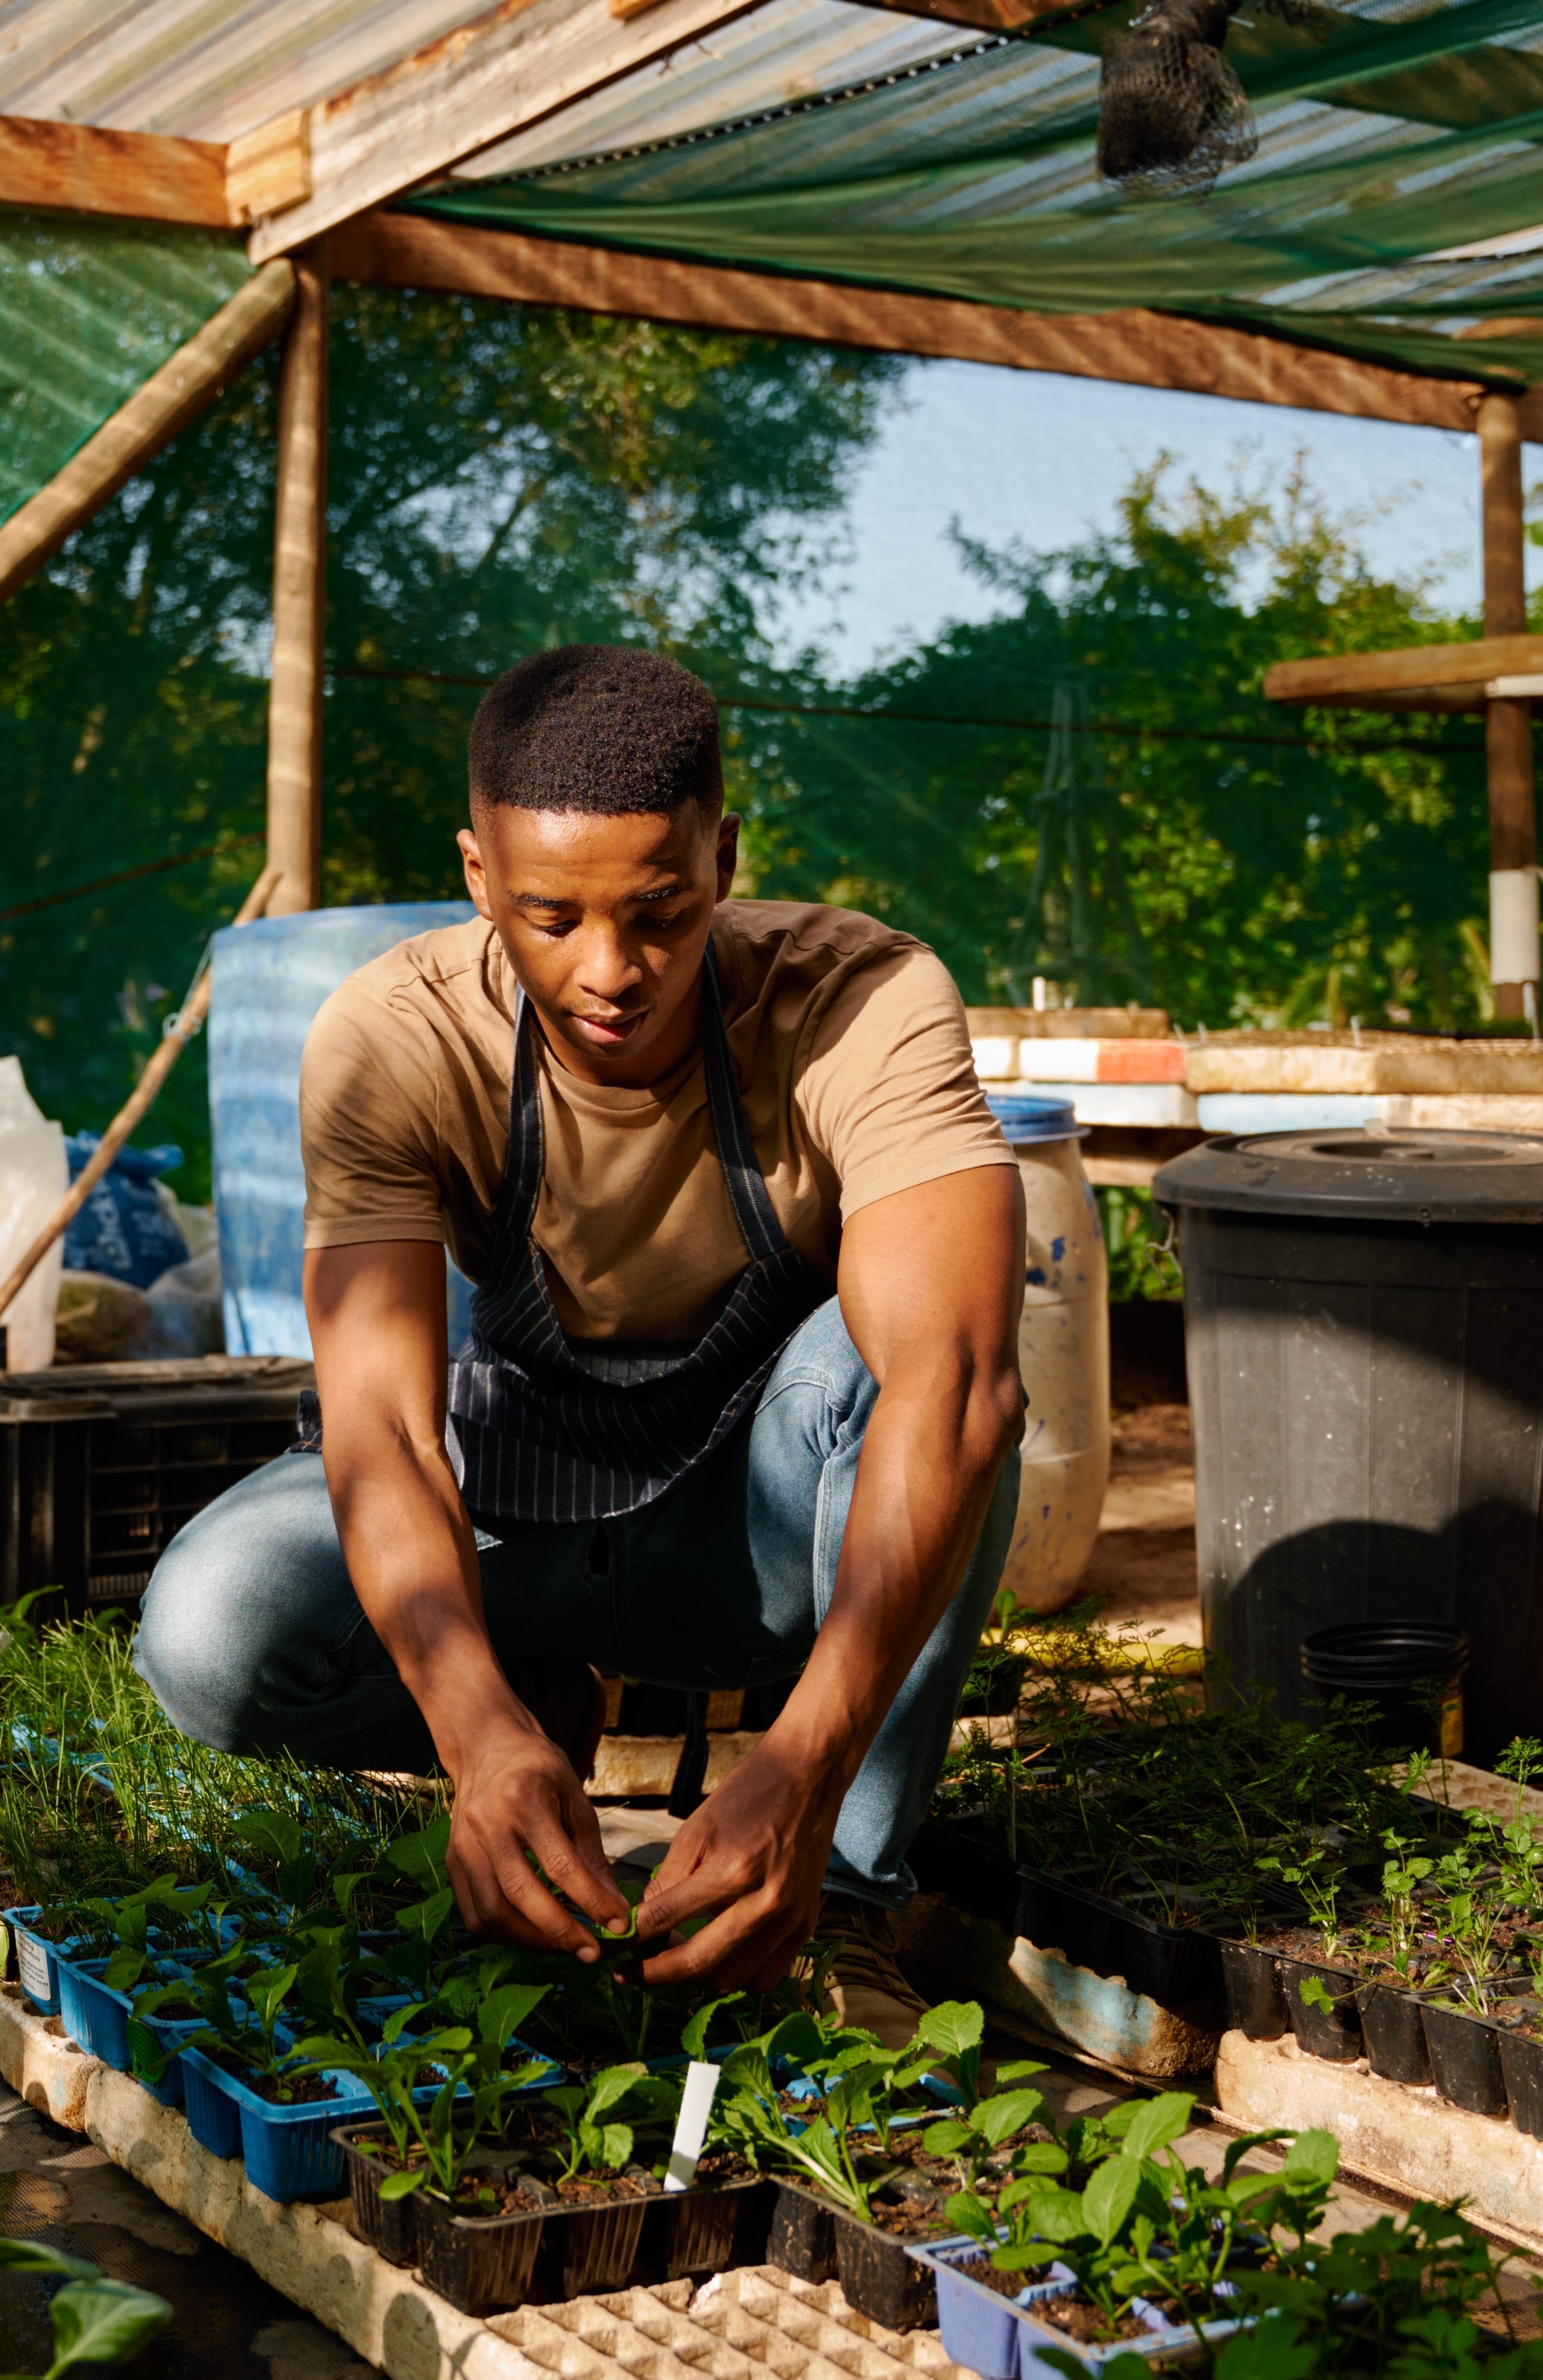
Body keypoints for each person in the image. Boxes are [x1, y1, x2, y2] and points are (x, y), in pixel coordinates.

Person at [134, 644, 1022, 2015]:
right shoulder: (394, 1034)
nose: (611, 970)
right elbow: (377, 1423)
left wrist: (805, 1761)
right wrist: (474, 1728)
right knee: (213, 1624)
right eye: (551, 918)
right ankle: (530, 1731)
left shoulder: (859, 1000)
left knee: (914, 1376)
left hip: (749, 1530)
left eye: (661, 912)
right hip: (518, 1501)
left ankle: (837, 1886)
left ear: (722, 857)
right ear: (479, 876)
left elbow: (952, 1387)